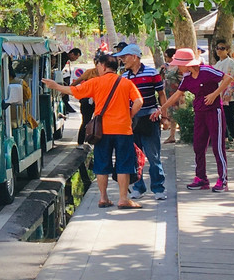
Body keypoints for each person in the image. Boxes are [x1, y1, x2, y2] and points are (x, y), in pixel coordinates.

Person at [44, 54, 144, 209]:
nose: (97, 68)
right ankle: (123, 199)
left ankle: (103, 198)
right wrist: (129, 116)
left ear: (103, 66)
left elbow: (74, 91)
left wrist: (55, 86)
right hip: (123, 130)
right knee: (124, 163)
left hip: (102, 131)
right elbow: (139, 101)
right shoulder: (126, 83)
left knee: (102, 163)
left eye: (98, 65)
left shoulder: (96, 82)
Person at [158, 48, 233, 192]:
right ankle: (201, 178)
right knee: (198, 146)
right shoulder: (186, 78)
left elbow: (227, 78)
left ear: (187, 64)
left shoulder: (207, 71)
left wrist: (214, 94)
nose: (177, 67)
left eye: (179, 64)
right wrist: (162, 108)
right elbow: (176, 95)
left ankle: (223, 180)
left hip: (214, 111)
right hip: (199, 113)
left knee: (218, 147)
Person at [119, 44, 168, 201]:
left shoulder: (152, 73)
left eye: (125, 57)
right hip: (131, 120)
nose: (122, 60)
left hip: (149, 118)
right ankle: (138, 187)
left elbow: (161, 94)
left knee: (153, 156)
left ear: (134, 57)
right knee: (134, 156)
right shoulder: (124, 77)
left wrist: (164, 115)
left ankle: (158, 188)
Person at [214, 40, 234, 151]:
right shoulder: (217, 64)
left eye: (222, 48)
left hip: (229, 96)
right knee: (222, 118)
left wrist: (229, 93)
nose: (219, 50)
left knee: (230, 117)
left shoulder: (231, 63)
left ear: (227, 50)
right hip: (219, 95)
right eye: (217, 48)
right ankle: (225, 140)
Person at [160, 47, 183, 143]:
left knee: (177, 114)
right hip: (168, 93)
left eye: (166, 56)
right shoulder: (167, 66)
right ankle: (172, 135)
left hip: (177, 94)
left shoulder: (178, 67)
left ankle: (179, 134)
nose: (166, 58)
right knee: (171, 115)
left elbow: (182, 80)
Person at [60, 48, 83, 113]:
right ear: (72, 54)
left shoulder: (65, 59)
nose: (75, 59)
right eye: (76, 57)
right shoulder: (62, 57)